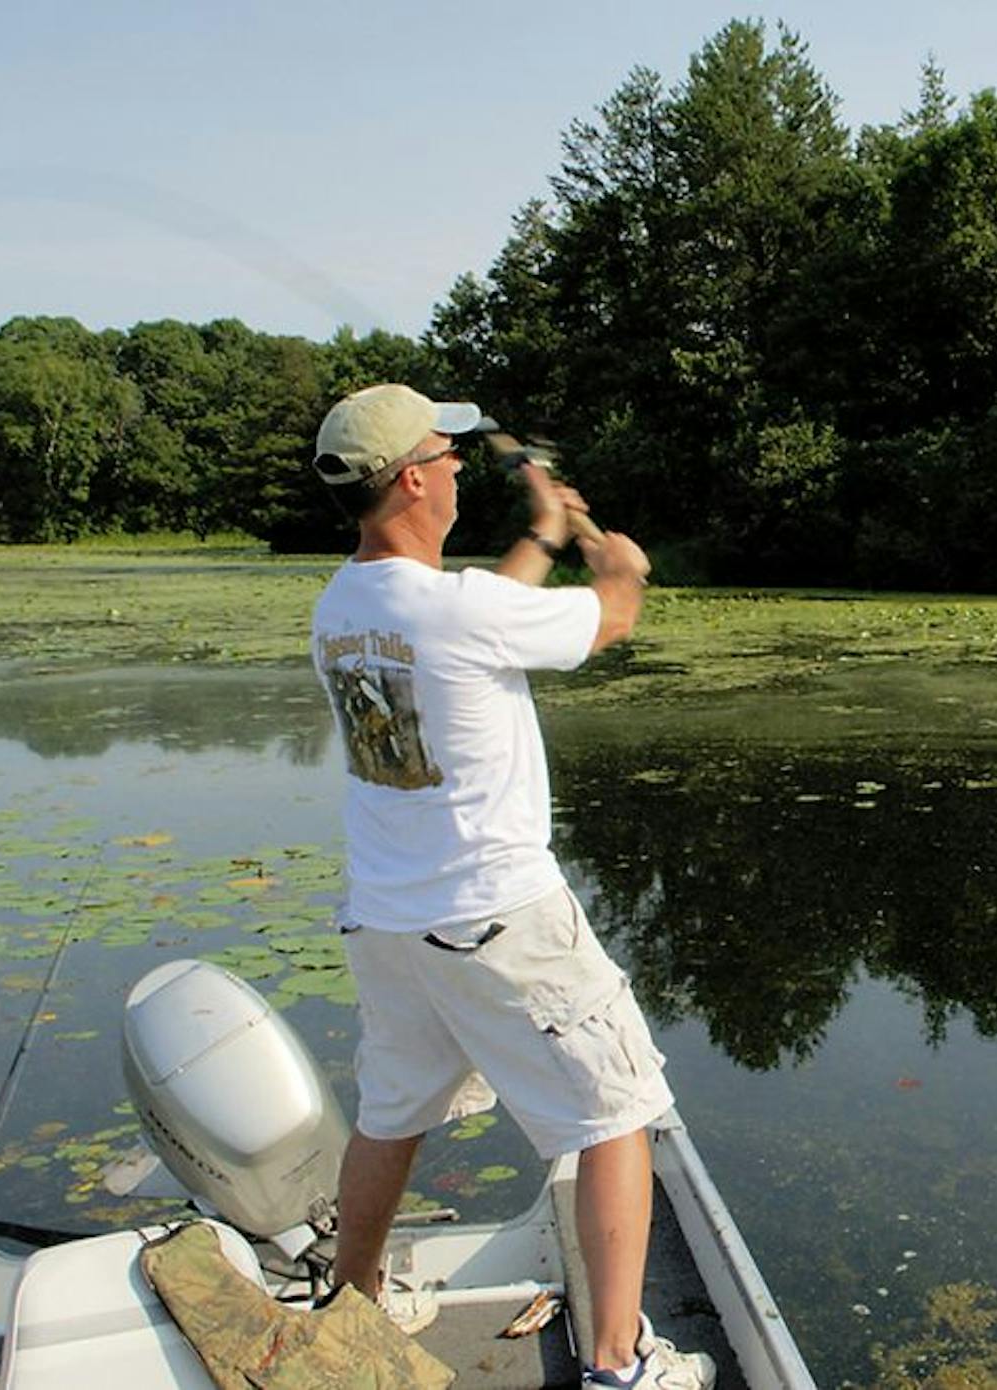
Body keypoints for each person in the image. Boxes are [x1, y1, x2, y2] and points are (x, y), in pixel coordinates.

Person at [308, 383, 714, 1390]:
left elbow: (485, 610)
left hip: (390, 921)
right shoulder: (461, 611)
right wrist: (617, 569)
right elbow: (605, 619)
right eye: (443, 456)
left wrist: (542, 532)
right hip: (498, 918)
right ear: (410, 479)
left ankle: (350, 1308)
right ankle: (622, 1365)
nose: (454, 466)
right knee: (620, 1111)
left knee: (391, 1111)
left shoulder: (344, 604)